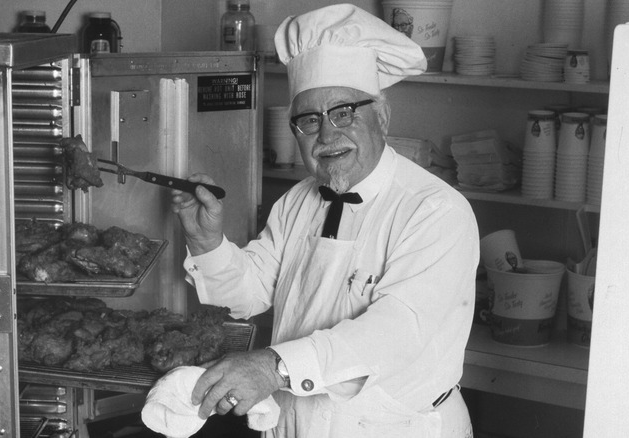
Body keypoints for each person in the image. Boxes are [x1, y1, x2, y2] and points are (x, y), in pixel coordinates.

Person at [170, 4, 479, 438]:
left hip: (394, 428)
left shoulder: (434, 210)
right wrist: (207, 242)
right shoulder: (298, 200)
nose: (328, 135)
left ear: (383, 117)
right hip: (297, 421)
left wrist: (272, 368)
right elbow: (249, 294)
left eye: (345, 112)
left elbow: (396, 333)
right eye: (309, 120)